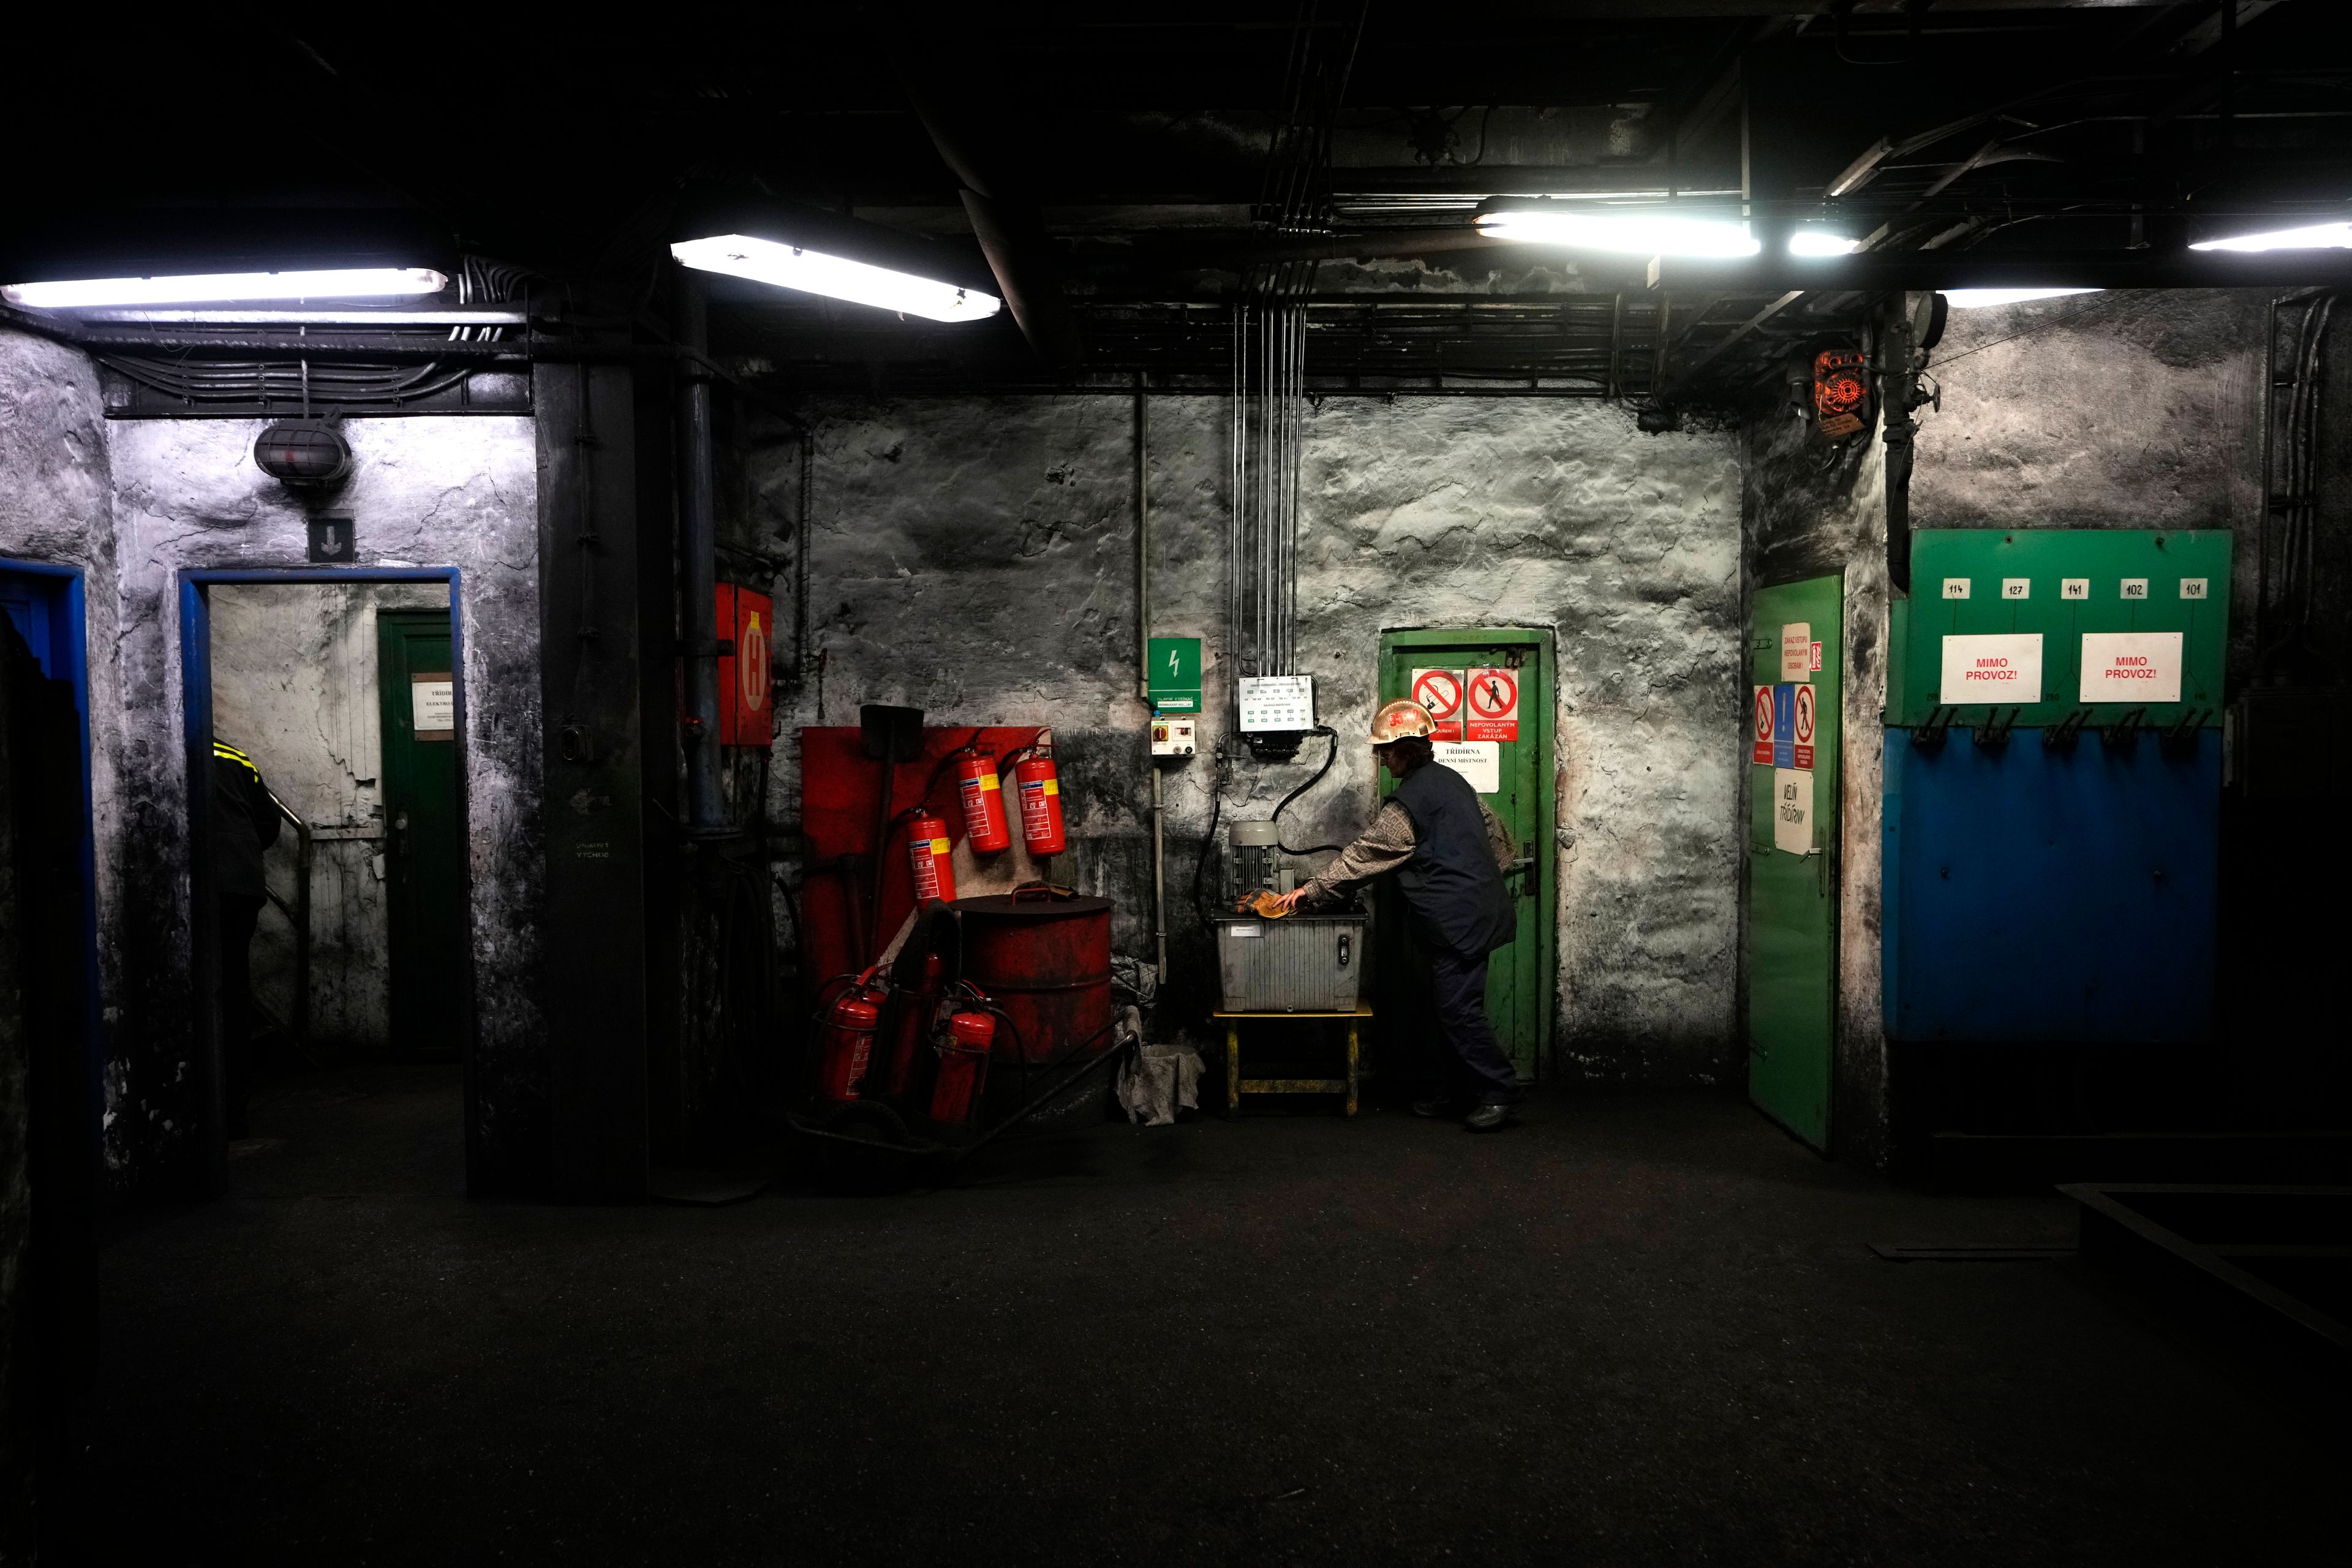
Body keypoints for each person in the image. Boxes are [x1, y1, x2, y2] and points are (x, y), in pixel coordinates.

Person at [1270, 699, 1523, 1130]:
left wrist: (1310, 891)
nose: (1382, 759)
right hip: (1476, 913)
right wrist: (1481, 880)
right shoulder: (1452, 782)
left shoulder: (1407, 804)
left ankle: (1499, 1092)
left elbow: (1364, 856)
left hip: (1459, 922)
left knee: (1458, 1011)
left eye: (1386, 751)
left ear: (1408, 749)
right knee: (1451, 1008)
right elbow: (1496, 834)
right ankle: (1457, 1090)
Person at [211, 737, 280, 1140]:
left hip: (197, 885)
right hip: (240, 886)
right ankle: (234, 1110)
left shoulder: (159, 745)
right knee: (233, 994)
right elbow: (268, 823)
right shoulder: (235, 755)